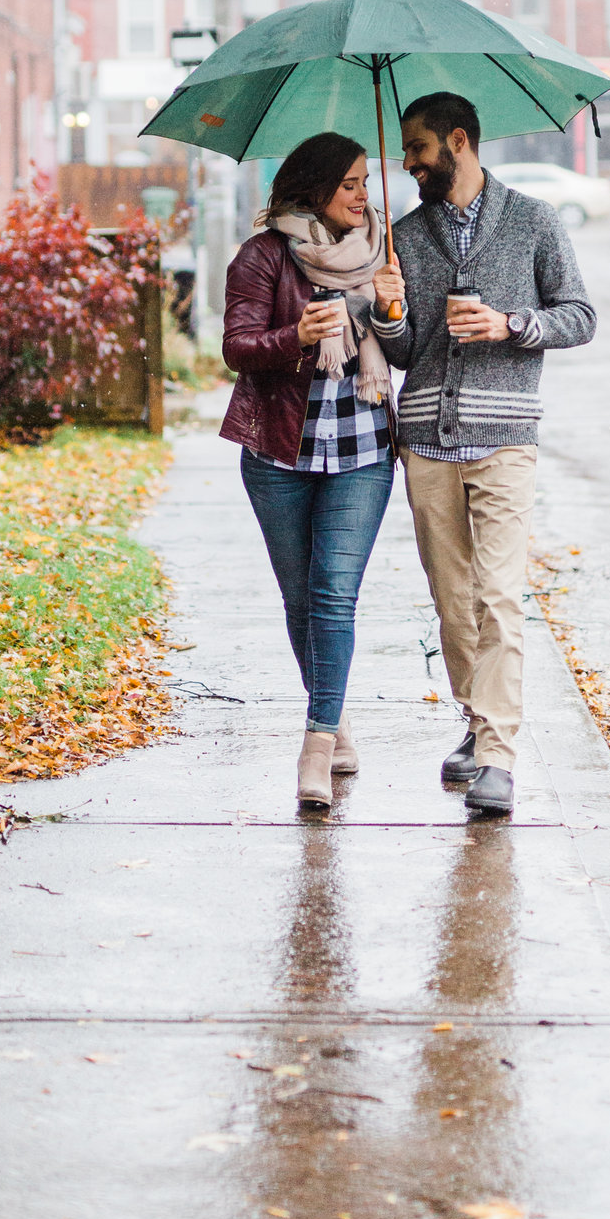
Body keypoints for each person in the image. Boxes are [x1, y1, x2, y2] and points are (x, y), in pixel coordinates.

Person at [368, 93, 596, 817]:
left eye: (419, 148)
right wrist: (390, 311)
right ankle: (476, 723)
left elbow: (580, 316)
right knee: (453, 603)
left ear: (459, 141)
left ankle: (497, 756)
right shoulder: (404, 237)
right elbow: (403, 354)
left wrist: (511, 324)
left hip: (504, 439)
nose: (407, 163)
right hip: (428, 441)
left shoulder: (533, 222)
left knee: (499, 597)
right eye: (406, 150)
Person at [221, 134, 397, 812]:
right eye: (350, 183)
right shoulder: (262, 257)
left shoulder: (382, 253)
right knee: (302, 602)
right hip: (279, 456)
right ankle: (336, 713)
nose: (363, 195)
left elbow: (404, 348)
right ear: (315, 187)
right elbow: (238, 348)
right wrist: (293, 337)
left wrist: (391, 309)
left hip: (362, 452)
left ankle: (317, 742)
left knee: (333, 596)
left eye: (364, 182)